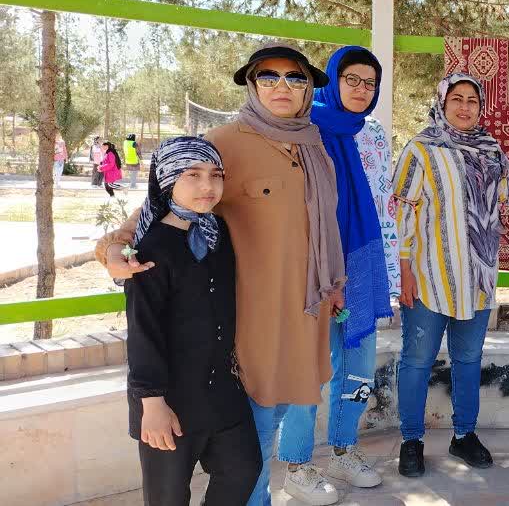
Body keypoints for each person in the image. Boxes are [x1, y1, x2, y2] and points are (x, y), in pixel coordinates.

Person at [96, 42, 346, 506]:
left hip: (303, 316)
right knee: (255, 435)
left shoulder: (315, 147)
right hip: (250, 321)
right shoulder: (225, 142)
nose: (282, 86)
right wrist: (112, 247)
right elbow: (156, 206)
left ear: (308, 89)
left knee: (275, 421)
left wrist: (333, 285)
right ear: (252, 85)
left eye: (295, 77)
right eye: (268, 76)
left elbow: (320, 227)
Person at [276, 46, 398, 494]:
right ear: (333, 79)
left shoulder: (372, 133)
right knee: (309, 367)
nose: (362, 90)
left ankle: (345, 451)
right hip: (314, 270)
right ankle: (297, 466)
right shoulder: (304, 129)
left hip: (360, 264)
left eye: (370, 83)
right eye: (352, 79)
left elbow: (382, 203)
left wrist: (385, 271)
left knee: (360, 365)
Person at [124, 136, 261, 505]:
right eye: (193, 175)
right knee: (167, 496)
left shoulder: (220, 233)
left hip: (221, 392)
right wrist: (152, 402)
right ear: (169, 179)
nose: (207, 185)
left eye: (216, 175)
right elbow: (143, 330)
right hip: (168, 399)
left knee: (243, 469)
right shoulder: (150, 248)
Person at [393, 73, 509, 477]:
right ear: (442, 104)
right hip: (429, 276)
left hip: (478, 278)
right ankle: (411, 440)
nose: (464, 107)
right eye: (456, 99)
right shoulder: (422, 149)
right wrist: (405, 270)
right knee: (417, 360)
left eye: (472, 100)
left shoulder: (491, 151)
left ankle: (464, 435)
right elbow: (404, 213)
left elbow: (503, 199)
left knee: (468, 359)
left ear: (481, 107)